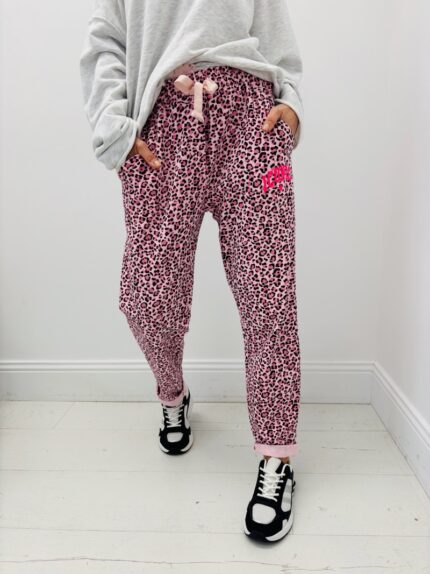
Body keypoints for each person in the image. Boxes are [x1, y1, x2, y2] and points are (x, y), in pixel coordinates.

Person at [80, 0, 303, 543]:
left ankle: (277, 458)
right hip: (161, 130)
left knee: (268, 296)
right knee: (148, 296)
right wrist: (114, 128)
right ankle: (172, 393)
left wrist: (291, 103)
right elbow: (105, 41)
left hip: (252, 122)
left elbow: (276, 38)